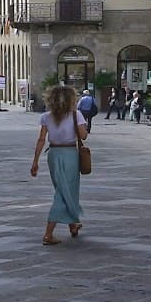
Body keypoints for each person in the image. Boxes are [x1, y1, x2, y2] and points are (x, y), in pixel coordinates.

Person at [30, 83, 88, 245]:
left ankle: (73, 225)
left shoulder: (46, 117)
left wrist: (35, 161)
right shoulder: (77, 115)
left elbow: (41, 140)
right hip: (70, 155)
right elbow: (83, 136)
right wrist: (84, 128)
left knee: (63, 189)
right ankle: (48, 233)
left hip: (53, 155)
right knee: (64, 192)